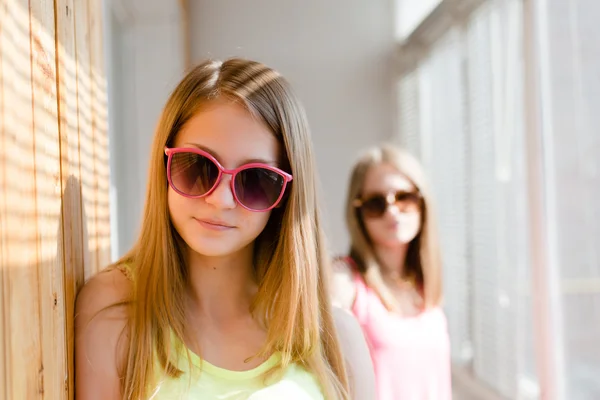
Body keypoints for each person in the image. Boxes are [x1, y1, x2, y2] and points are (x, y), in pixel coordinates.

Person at [75, 58, 375, 400]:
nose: (220, 199)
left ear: (286, 195)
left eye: (255, 180)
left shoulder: (337, 338)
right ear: (164, 165)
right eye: (198, 166)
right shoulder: (115, 309)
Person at [332, 144, 452, 400]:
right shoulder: (346, 281)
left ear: (422, 202)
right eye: (376, 203)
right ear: (358, 213)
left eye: (404, 198)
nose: (392, 211)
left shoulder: (424, 286)